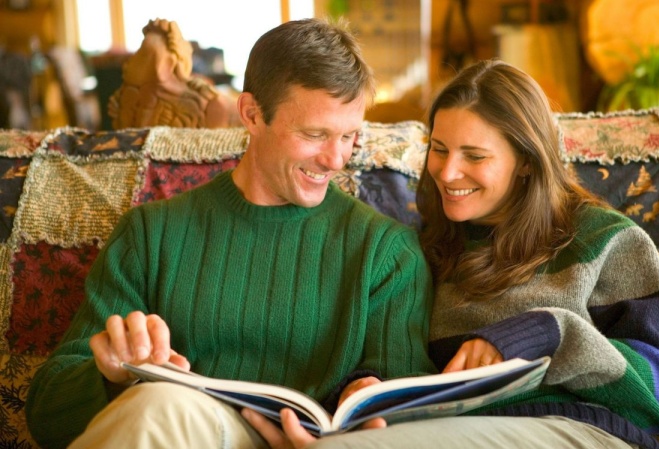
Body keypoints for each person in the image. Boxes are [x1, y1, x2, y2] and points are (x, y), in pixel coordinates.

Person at [25, 18, 436, 449]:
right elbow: (46, 416)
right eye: (315, 134)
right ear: (252, 114)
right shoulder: (151, 234)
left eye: (350, 136)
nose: (335, 159)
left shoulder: (387, 253)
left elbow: (413, 413)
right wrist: (110, 376)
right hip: (180, 432)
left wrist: (363, 407)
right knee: (159, 404)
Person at [306, 59, 659, 449]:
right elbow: (402, 366)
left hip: (581, 428)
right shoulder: (423, 252)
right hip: (454, 432)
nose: (446, 173)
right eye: (439, 149)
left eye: (474, 157)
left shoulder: (603, 240)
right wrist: (364, 386)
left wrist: (550, 333)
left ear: (526, 161)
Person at [108, 18, 239, 129]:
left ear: (164, 66)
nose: (127, 62)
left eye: (140, 54)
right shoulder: (131, 99)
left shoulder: (208, 103)